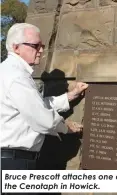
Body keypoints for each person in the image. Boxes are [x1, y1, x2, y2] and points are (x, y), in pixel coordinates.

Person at [0, 23, 88, 171]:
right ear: (16, 48)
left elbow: (35, 105)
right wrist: (66, 127)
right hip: (15, 163)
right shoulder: (17, 77)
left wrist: (70, 96)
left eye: (42, 46)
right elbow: (42, 119)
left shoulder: (7, 70)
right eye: (35, 46)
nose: (41, 51)